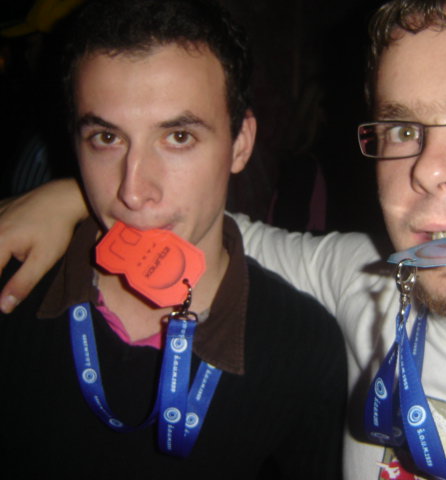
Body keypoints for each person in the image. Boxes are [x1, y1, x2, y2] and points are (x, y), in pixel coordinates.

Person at [1, 0, 446, 478]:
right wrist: (75, 199)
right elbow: (209, 231)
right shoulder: (368, 277)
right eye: (404, 129)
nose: (430, 169)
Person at [0, 0, 347, 478]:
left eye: (178, 137)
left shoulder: (305, 349)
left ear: (240, 144)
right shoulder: (12, 281)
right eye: (106, 138)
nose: (133, 190)